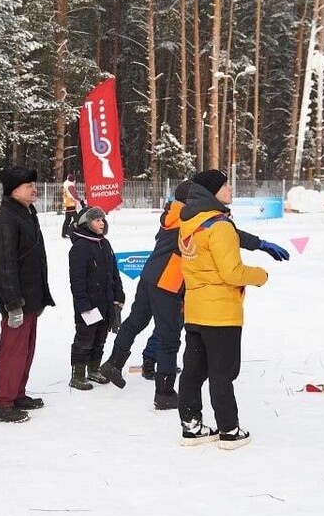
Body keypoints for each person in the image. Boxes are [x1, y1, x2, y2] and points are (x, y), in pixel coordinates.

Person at [100, 180, 289, 410]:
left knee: (135, 322)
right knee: (169, 338)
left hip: (150, 275)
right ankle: (165, 393)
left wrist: (259, 243)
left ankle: (114, 363)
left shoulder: (175, 214)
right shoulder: (190, 218)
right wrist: (260, 244)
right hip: (168, 282)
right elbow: (230, 233)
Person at [177, 170, 268, 450]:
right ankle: (229, 429)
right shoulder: (220, 226)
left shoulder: (191, 224)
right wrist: (260, 275)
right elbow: (232, 272)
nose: (230, 188)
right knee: (222, 372)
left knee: (193, 370)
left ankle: (191, 426)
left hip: (195, 311)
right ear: (211, 192)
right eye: (225, 184)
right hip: (220, 313)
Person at [0, 165, 54, 423]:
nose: (34, 189)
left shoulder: (26, 213)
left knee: (26, 348)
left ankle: (17, 393)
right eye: (29, 185)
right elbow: (3, 265)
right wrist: (12, 302)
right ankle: (3, 402)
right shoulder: (4, 221)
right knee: (12, 351)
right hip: (16, 299)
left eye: (33, 184)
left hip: (32, 295)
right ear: (14, 190)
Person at [67, 206, 124, 391]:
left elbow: (114, 273)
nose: (102, 223)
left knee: (101, 337)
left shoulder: (104, 244)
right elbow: (77, 281)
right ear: (86, 223)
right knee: (85, 339)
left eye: (102, 219)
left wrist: (118, 295)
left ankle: (93, 368)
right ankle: (77, 375)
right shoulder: (79, 248)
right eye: (97, 220)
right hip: (88, 305)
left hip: (106, 302)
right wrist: (83, 304)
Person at [60, 172, 82, 239]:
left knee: (67, 219)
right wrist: (80, 200)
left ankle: (64, 233)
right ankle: (74, 231)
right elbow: (73, 195)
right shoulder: (70, 186)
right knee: (77, 218)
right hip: (71, 204)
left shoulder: (66, 184)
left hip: (67, 204)